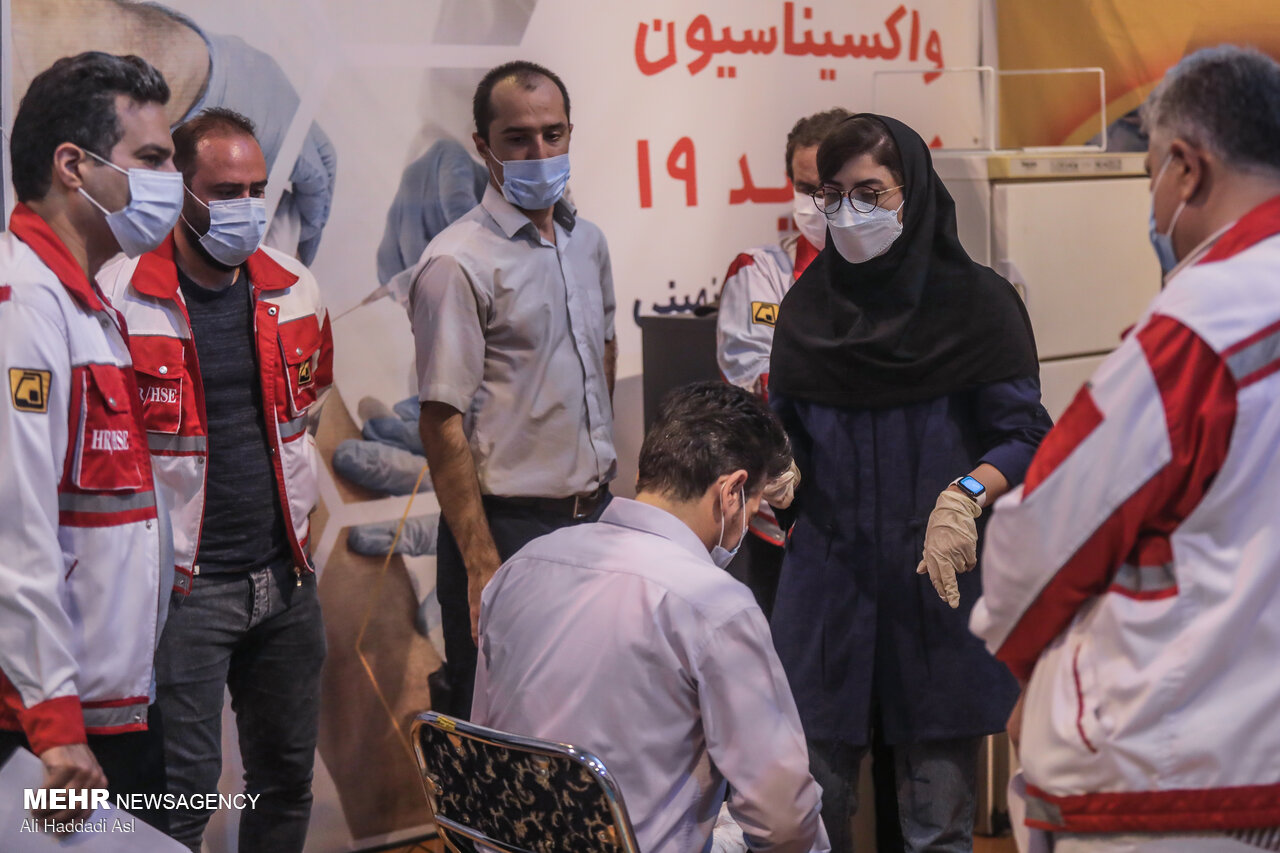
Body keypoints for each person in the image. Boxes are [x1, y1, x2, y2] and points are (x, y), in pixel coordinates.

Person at [971, 45, 1280, 853]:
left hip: (1176, 780)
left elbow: (1039, 541)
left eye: (1149, 175)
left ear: (1186, 167)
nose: (1152, 200)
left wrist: (1026, 670)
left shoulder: (1202, 327)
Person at [767, 114, 1053, 853]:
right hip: (829, 587)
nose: (848, 213)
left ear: (914, 192)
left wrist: (968, 493)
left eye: (870, 193)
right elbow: (782, 430)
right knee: (811, 813)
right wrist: (779, 469)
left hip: (935, 580)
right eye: (834, 195)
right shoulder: (806, 309)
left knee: (936, 824)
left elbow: (1027, 435)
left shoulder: (980, 304)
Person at [97, 107, 333, 853]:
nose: (248, 208)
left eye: (258, 190)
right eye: (227, 191)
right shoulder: (120, 297)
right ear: (181, 191)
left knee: (285, 782)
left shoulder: (296, 287)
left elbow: (311, 413)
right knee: (178, 802)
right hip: (183, 595)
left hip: (287, 584)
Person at [474, 381, 827, 853]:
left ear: (645, 471)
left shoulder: (520, 567)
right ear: (731, 492)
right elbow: (784, 820)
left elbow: (486, 746)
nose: (749, 518)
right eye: (755, 503)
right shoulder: (715, 606)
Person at [0, 52, 179, 831]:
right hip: (51, 731)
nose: (173, 182)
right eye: (153, 159)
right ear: (73, 166)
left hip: (113, 705)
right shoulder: (23, 308)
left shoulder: (88, 306)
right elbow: (15, 529)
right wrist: (54, 723)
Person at [408, 60, 617, 718]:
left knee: (595, 717)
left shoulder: (588, 242)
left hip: (594, 516)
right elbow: (440, 419)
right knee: (509, 732)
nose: (540, 153)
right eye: (518, 139)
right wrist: (480, 562)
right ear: (483, 145)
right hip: (508, 529)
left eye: (553, 134)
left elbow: (603, 352)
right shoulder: (457, 261)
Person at [716, 107, 849, 619]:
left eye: (829, 190)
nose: (816, 204)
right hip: (784, 521)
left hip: (883, 518)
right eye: (804, 187)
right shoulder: (761, 273)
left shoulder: (906, 279)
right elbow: (757, 382)